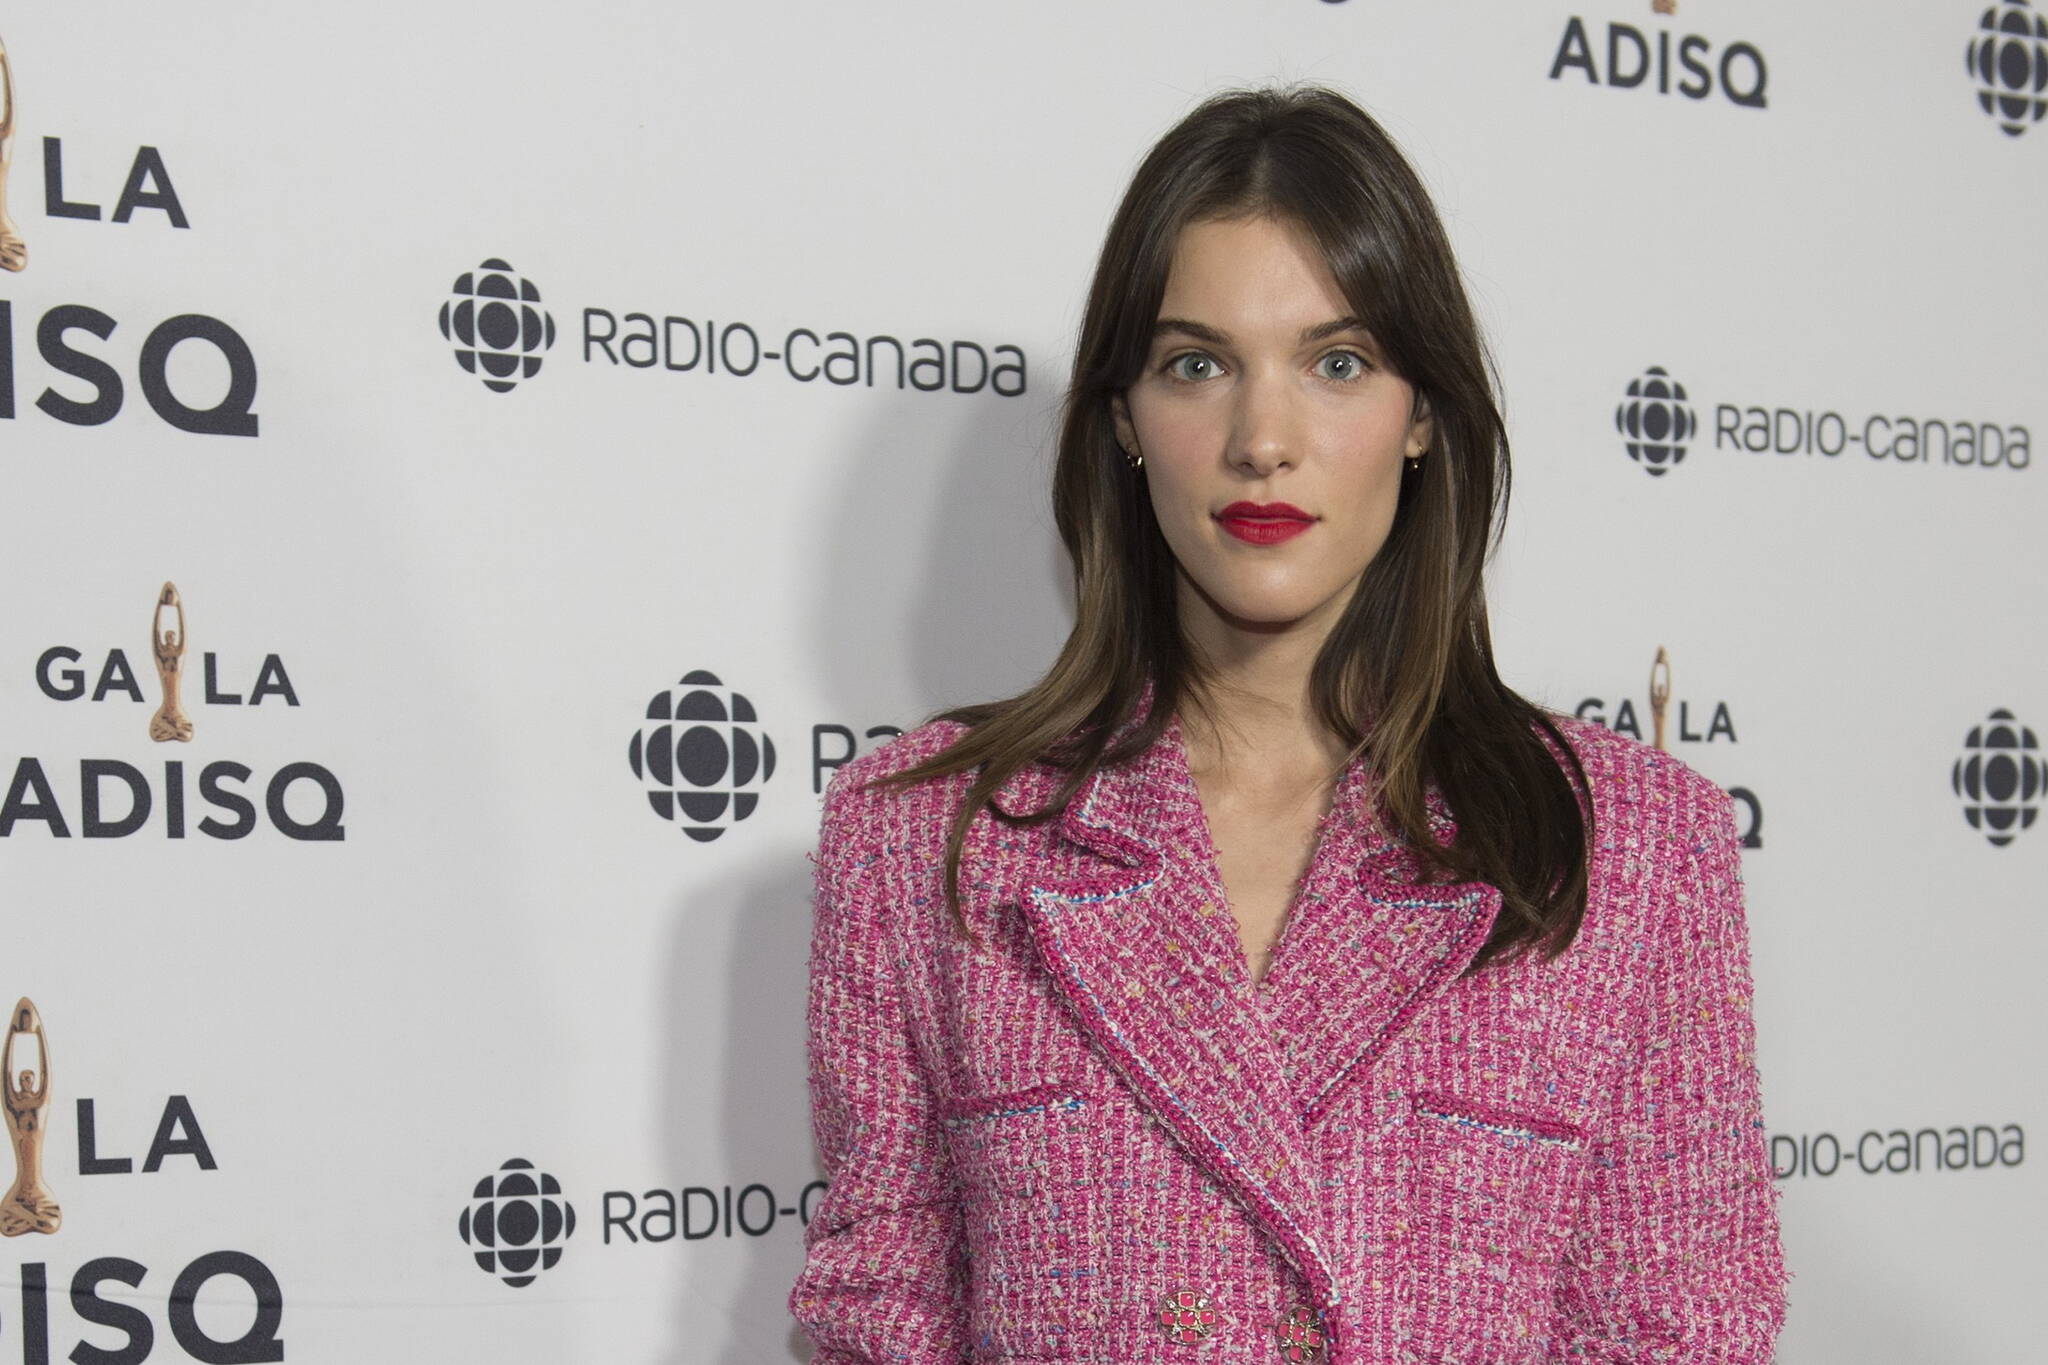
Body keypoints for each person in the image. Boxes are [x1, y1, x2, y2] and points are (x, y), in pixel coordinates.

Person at [789, 84, 1788, 1364]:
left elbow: (1676, 1333)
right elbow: (884, 1324)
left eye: (1336, 362)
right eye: (1195, 365)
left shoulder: (1626, 845)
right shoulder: (924, 837)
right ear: (1123, 425)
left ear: (1422, 413)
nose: (1262, 439)